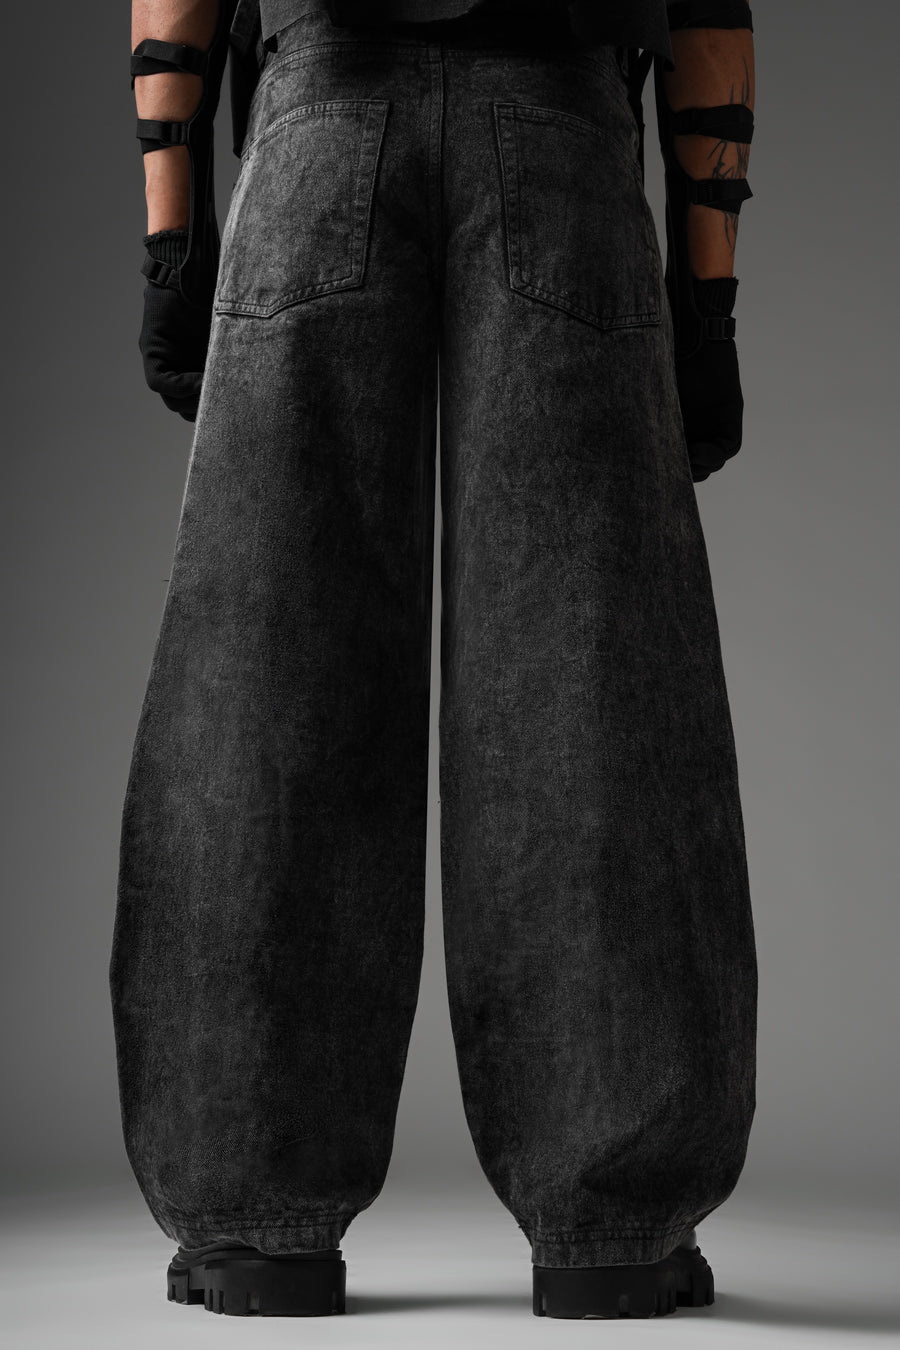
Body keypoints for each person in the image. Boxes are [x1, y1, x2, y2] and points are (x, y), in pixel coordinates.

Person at [111, 0, 758, 1320]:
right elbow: (707, 13)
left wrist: (172, 234)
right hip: (563, 118)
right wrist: (708, 294)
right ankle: (613, 1219)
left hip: (320, 111)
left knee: (267, 661)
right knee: (591, 669)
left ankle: (253, 1216)